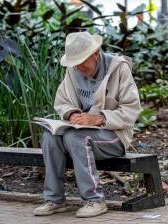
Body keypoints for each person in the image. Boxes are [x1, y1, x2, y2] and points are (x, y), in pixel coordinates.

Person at [33, 31, 141, 218]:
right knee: (50, 136)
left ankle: (95, 200)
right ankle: (55, 199)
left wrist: (98, 118)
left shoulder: (119, 68)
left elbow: (132, 110)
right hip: (81, 131)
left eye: (82, 60)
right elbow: (62, 101)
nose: (79, 67)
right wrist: (72, 113)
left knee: (76, 137)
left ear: (95, 53)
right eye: (74, 62)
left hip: (114, 136)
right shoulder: (73, 70)